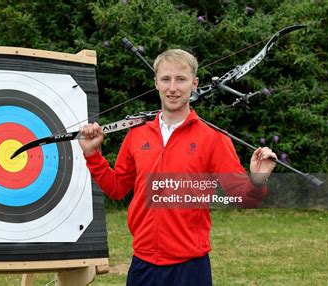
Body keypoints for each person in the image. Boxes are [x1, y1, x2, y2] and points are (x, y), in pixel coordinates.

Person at [79, 49, 277, 285]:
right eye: (166, 79)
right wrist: (92, 154)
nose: (173, 88)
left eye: (181, 79)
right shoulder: (136, 134)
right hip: (143, 265)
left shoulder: (213, 138)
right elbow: (117, 189)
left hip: (190, 268)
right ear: (156, 83)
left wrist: (257, 180)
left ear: (194, 84)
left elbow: (243, 198)